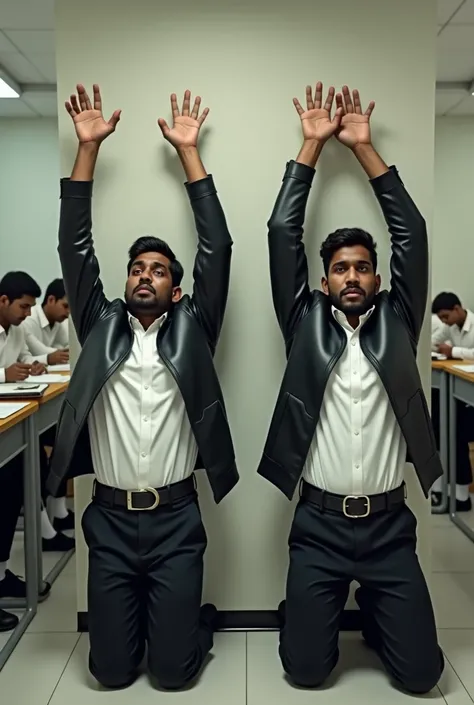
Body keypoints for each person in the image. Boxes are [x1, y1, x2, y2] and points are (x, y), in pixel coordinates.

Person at [46, 84, 238, 690]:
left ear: (176, 291)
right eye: (137, 269)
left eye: (158, 270)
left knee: (174, 677)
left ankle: (191, 625)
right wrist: (87, 151)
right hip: (107, 518)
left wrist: (189, 154)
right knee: (110, 674)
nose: (145, 276)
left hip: (178, 520)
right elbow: (73, 247)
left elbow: (219, 247)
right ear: (126, 283)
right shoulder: (99, 325)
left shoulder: (195, 329)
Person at [258, 82, 444, 693]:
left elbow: (411, 231)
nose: (353, 276)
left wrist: (365, 149)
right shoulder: (304, 321)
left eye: (363, 266)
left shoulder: (401, 319)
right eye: (341, 268)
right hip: (318, 526)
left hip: (391, 528)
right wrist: (311, 147)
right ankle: (312, 619)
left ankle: (383, 621)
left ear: (378, 276)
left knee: (422, 677)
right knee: (305, 672)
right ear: (325, 279)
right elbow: (281, 233)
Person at [0, 272, 74, 631]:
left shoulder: (15, 328)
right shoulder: (22, 323)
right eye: (23, 306)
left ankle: (3, 573)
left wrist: (32, 365)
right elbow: (7, 370)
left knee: (23, 472)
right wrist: (4, 374)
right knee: (11, 482)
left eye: (30, 307)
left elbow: (29, 357)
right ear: (3, 300)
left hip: (12, 415)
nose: (26, 313)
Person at [22, 277, 74, 530]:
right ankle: (43, 527)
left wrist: (44, 360)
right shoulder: (28, 322)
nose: (67, 314)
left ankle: (58, 511)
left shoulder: (58, 323)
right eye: (65, 306)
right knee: (30, 459)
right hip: (18, 410)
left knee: (68, 438)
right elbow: (37, 353)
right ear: (51, 300)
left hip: (32, 398)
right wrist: (47, 358)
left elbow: (67, 350)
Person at [430, 291, 474, 510]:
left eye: (446, 316)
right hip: (457, 392)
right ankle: (441, 492)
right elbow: (432, 343)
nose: (444, 322)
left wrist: (454, 350)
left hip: (469, 397)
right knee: (438, 428)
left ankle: (461, 496)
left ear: (458, 309)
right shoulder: (451, 326)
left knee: (456, 435)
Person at [23, 278, 70, 365]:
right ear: (51, 300)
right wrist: (61, 353)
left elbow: (67, 345)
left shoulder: (58, 321)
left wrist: (61, 351)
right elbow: (39, 351)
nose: (69, 312)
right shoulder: (28, 319)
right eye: (65, 306)